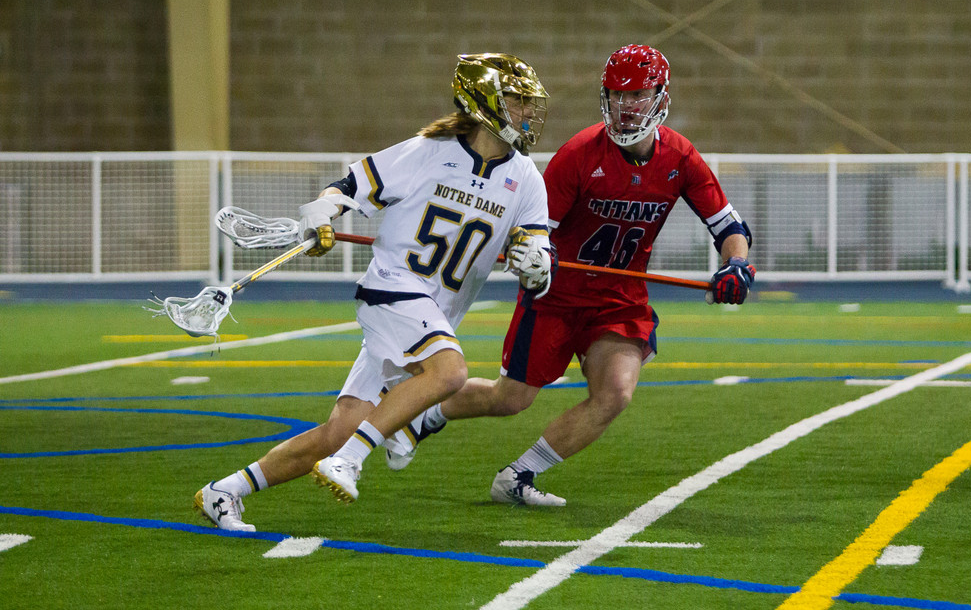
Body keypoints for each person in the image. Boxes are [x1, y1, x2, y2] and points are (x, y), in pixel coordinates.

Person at [193, 52, 554, 530]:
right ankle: (353, 460)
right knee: (449, 372)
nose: (527, 111)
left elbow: (536, 256)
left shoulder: (526, 178)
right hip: (393, 289)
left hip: (433, 312)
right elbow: (345, 187)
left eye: (530, 102)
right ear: (483, 100)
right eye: (516, 99)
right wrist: (322, 216)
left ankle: (226, 491)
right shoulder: (427, 151)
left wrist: (537, 267)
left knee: (337, 431)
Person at [386, 44, 754, 507]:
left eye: (637, 94)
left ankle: (519, 476)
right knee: (512, 398)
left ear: (661, 95)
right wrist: (531, 255)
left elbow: (729, 227)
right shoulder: (579, 155)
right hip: (555, 295)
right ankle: (424, 415)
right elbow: (530, 230)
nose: (626, 107)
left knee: (616, 392)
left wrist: (736, 265)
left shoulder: (680, 157)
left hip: (619, 300)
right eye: (617, 95)